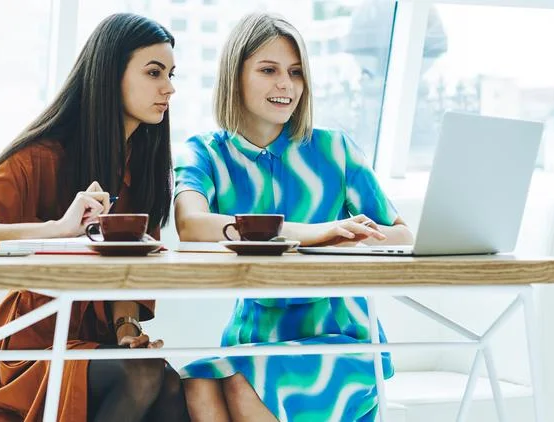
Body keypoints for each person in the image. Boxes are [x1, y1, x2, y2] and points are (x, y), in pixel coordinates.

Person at [0, 13, 188, 422]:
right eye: (154, 73)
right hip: (35, 344)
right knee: (143, 379)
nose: (169, 88)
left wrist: (127, 329)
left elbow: (131, 266)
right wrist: (59, 229)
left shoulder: (144, 166)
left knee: (172, 386)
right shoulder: (43, 157)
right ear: (110, 75)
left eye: (172, 74)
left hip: (99, 341)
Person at [174, 12, 415, 422]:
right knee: (196, 383)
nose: (286, 84)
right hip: (252, 336)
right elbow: (191, 225)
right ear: (236, 76)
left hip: (339, 335)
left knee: (241, 383)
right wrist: (311, 234)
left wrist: (354, 238)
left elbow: (402, 235)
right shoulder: (205, 151)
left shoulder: (334, 150)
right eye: (268, 70)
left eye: (296, 72)